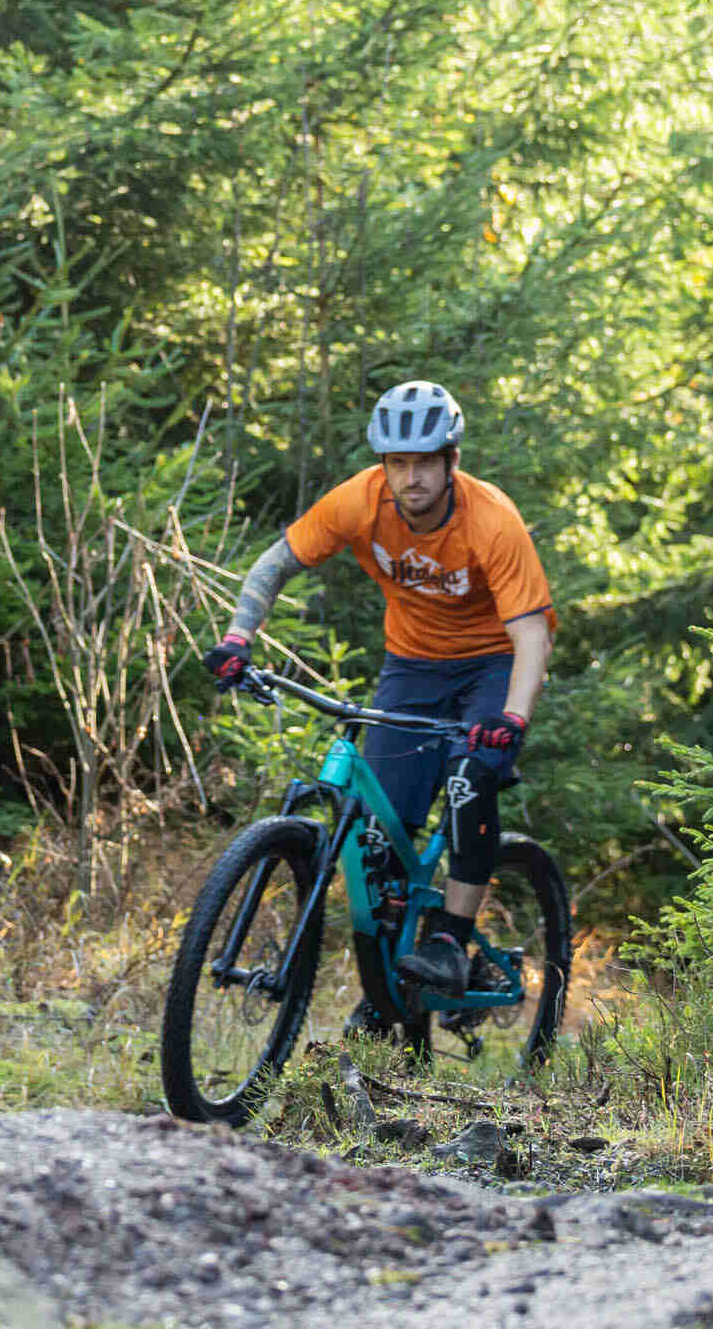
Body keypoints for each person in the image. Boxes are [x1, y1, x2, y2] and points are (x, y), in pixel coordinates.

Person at [197, 381, 553, 995]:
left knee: (470, 780)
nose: (410, 477)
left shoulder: (492, 520)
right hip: (412, 665)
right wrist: (237, 638)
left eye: (424, 462)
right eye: (397, 463)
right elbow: (273, 565)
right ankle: (392, 998)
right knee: (380, 836)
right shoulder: (358, 502)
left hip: (494, 661)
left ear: (451, 462)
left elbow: (532, 638)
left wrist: (512, 719)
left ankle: (448, 940)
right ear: (384, 465)